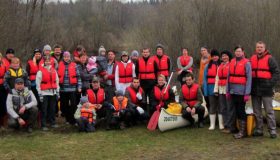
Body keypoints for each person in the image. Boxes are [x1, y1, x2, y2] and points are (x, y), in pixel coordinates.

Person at [251, 41, 279, 139]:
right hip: (255, 88)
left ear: (264, 48)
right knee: (257, 111)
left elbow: (276, 72)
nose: (259, 48)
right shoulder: (252, 58)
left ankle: (272, 130)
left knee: (269, 111)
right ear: (256, 48)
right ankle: (259, 130)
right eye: (258, 47)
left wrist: (270, 83)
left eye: (261, 47)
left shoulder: (270, 59)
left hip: (266, 88)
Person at [226, 45, 252, 139]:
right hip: (233, 90)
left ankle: (243, 131)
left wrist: (247, 93)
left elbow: (249, 79)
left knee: (241, 110)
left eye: (240, 51)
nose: (238, 52)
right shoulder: (232, 62)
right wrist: (227, 91)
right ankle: (239, 129)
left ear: (243, 52)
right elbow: (228, 77)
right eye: (236, 51)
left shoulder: (247, 63)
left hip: (242, 91)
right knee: (236, 110)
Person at [214, 50, 235, 133]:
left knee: (230, 108)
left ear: (229, 57)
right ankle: (226, 125)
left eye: (226, 56)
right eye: (223, 56)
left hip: (228, 89)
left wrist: (230, 90)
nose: (224, 57)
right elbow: (217, 78)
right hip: (221, 89)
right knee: (223, 108)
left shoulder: (231, 65)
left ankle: (231, 127)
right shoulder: (220, 66)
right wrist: (216, 90)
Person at [36, 56, 60, 131]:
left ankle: (52, 122)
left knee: (52, 109)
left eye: (49, 61)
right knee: (44, 109)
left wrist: (57, 91)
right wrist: (40, 94)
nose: (48, 62)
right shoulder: (40, 71)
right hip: (44, 92)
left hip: (52, 92)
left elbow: (57, 81)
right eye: (46, 61)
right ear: (44, 62)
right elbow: (38, 83)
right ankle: (43, 124)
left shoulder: (53, 70)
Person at [58, 51, 82, 125]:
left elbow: (78, 77)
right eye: (65, 57)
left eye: (68, 57)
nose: (66, 58)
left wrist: (79, 86)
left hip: (72, 89)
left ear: (70, 57)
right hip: (62, 89)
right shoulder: (59, 65)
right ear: (63, 57)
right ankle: (68, 119)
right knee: (64, 105)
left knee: (74, 104)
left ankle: (74, 119)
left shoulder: (74, 65)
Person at [203, 50, 221, 130]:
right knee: (212, 106)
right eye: (213, 56)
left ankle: (221, 123)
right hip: (210, 88)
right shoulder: (208, 66)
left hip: (220, 88)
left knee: (221, 106)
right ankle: (212, 124)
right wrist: (206, 92)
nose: (215, 57)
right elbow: (205, 79)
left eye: (216, 56)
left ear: (218, 56)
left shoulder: (222, 65)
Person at [135, 47, 158, 112]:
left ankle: (152, 113)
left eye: (146, 52)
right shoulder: (138, 61)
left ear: (149, 53)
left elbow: (156, 72)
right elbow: (136, 71)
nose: (145, 53)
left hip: (151, 83)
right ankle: (144, 113)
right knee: (143, 99)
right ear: (142, 53)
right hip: (142, 82)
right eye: (144, 52)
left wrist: (155, 82)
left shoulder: (153, 61)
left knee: (152, 99)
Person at [198, 46, 211, 123]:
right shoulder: (202, 59)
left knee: (210, 100)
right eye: (202, 50)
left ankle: (213, 117)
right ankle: (209, 116)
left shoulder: (210, 59)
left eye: (204, 50)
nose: (203, 52)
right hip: (201, 83)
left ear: (207, 51)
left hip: (208, 83)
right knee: (206, 101)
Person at [0, 53, 8, 127]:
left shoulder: (4, 66)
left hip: (2, 86)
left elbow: (6, 77)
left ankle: (2, 123)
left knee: (2, 104)